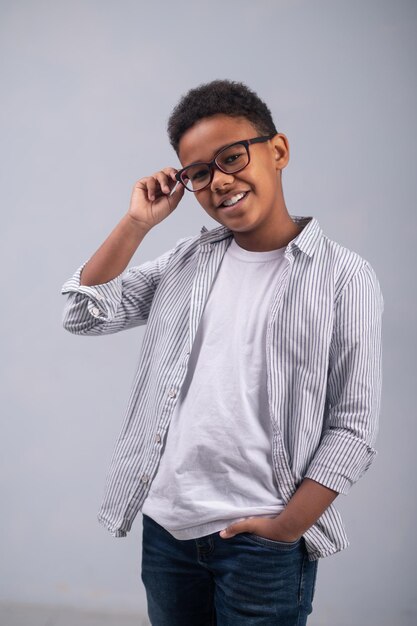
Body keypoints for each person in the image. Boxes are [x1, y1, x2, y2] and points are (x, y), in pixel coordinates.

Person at [61, 79, 384, 625]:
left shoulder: (343, 278)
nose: (221, 181)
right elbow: (83, 314)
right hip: (169, 532)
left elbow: (353, 426)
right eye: (199, 173)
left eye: (232, 157)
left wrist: (287, 528)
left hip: (263, 542)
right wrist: (137, 222)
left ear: (277, 151)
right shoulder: (188, 261)